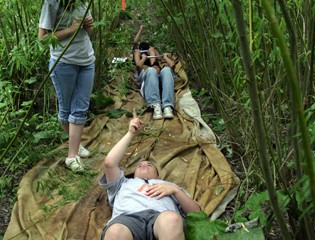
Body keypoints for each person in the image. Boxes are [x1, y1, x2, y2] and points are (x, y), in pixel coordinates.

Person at [99, 109, 201, 240]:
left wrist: (175, 191)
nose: (143, 165)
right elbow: (109, 163)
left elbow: (197, 213)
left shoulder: (169, 186)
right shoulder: (122, 183)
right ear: (133, 174)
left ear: (158, 176)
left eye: (149, 165)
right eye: (139, 165)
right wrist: (131, 133)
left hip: (160, 218)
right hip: (128, 219)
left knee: (172, 220)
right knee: (115, 232)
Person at [38, 0, 95, 172]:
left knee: (81, 108)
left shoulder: (84, 2)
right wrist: (71, 29)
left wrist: (87, 26)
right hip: (63, 62)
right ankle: (74, 152)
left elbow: (89, 33)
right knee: (67, 108)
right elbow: (42, 39)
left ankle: (73, 153)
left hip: (87, 60)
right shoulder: (52, 3)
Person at [132, 25, 176, 120]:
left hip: (160, 81)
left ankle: (167, 106)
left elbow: (172, 66)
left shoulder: (161, 67)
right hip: (150, 83)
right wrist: (143, 57)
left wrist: (164, 57)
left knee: (167, 70)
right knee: (151, 71)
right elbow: (138, 65)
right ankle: (156, 106)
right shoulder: (144, 68)